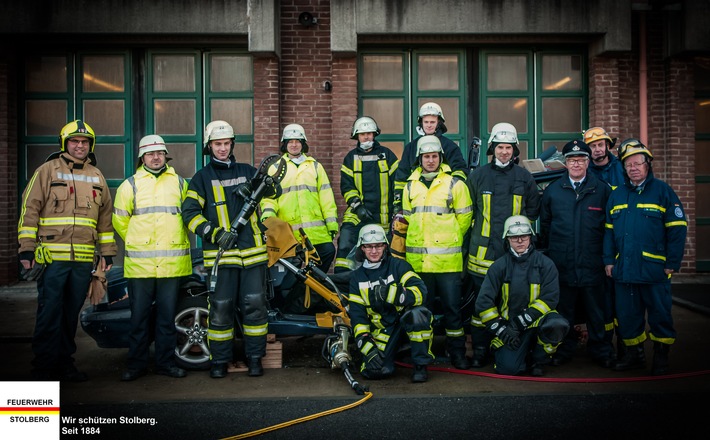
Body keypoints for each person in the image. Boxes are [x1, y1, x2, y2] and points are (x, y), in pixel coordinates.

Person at [18, 119, 117, 381]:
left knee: (69, 315)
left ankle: (64, 365)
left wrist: (107, 252)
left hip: (83, 261)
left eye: (84, 142)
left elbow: (105, 219)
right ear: (65, 144)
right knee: (50, 312)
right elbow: (30, 210)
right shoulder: (47, 171)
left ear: (90, 145)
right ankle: (44, 367)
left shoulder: (97, 176)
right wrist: (26, 249)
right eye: (75, 141)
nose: (80, 146)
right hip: (52, 260)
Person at [182, 120, 273, 379]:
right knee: (221, 308)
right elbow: (189, 213)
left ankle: (255, 359)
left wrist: (264, 218)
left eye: (226, 143)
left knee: (255, 307)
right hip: (221, 258)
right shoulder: (201, 178)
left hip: (253, 255)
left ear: (232, 144)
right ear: (209, 147)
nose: (222, 148)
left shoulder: (248, 171)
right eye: (217, 144)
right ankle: (220, 361)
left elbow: (267, 201)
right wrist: (214, 233)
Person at [603, 139, 687, 375]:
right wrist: (608, 260)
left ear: (647, 164)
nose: (633, 168)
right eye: (628, 164)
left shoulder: (663, 192)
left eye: (638, 163)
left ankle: (661, 358)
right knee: (628, 317)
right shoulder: (616, 195)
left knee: (660, 316)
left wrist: (672, 263)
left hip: (655, 270)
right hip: (625, 270)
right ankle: (634, 357)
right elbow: (608, 232)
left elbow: (678, 228)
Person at [113, 135, 191, 381]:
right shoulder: (131, 185)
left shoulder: (179, 183)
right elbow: (120, 221)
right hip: (140, 266)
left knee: (167, 319)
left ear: (165, 156)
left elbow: (188, 218)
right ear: (142, 158)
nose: (156, 157)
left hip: (172, 265)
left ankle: (165, 364)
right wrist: (139, 241)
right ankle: (136, 366)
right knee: (139, 319)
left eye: (159, 153)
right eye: (150, 154)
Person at [464, 122, 541, 368]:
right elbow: (469, 215)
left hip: (514, 257)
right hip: (482, 256)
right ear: (492, 149)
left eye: (508, 147)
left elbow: (533, 213)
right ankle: (479, 351)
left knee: (511, 305)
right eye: (500, 147)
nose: (504, 152)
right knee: (481, 308)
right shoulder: (477, 177)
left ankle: (508, 348)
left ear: (514, 150)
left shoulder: (524, 178)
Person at [538, 139, 615, 368]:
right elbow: (546, 227)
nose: (576, 164)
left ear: (588, 162)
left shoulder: (602, 190)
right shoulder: (553, 191)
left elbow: (609, 228)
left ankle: (601, 350)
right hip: (563, 264)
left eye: (581, 159)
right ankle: (564, 350)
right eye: (572, 160)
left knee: (597, 313)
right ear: (566, 163)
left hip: (593, 264)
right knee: (565, 312)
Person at [402, 135, 473, 370]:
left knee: (453, 312)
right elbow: (407, 220)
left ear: (440, 158)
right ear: (419, 159)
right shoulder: (410, 186)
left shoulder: (455, 184)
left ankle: (458, 355)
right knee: (423, 313)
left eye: (434, 156)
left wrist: (450, 238)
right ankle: (423, 359)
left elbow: (465, 219)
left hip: (447, 263)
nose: (430, 160)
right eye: (426, 157)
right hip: (419, 264)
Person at [475, 215, 569, 376]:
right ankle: (519, 355)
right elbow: (483, 303)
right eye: (514, 237)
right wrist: (501, 330)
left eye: (524, 236)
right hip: (510, 329)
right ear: (507, 239)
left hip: (537, 323)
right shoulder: (499, 267)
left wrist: (519, 323)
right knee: (508, 369)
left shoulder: (545, 264)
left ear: (530, 237)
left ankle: (539, 359)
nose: (520, 241)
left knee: (557, 325)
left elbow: (550, 299)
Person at [347, 224, 435, 383]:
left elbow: (421, 292)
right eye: (369, 246)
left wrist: (393, 294)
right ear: (362, 248)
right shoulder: (357, 278)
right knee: (376, 371)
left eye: (378, 246)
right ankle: (395, 355)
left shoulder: (398, 265)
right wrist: (367, 347)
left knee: (418, 314)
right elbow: (357, 317)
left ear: (385, 246)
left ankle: (420, 365)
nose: (374, 251)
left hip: (404, 321)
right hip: (383, 331)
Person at [261, 123, 339, 273]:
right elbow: (269, 198)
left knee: (328, 252)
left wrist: (332, 225)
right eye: (290, 141)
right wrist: (269, 217)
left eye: (297, 141)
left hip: (316, 233)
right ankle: (300, 293)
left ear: (303, 144)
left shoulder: (315, 167)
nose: (294, 145)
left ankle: (312, 291)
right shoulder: (275, 167)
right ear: (285, 144)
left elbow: (326, 197)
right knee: (291, 274)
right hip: (288, 234)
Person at [582, 126, 626, 361]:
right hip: (596, 244)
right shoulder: (585, 171)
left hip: (622, 242)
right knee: (603, 301)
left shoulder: (622, 169)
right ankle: (603, 347)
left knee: (624, 300)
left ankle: (627, 347)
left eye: (600, 144)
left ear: (608, 146)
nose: (597, 149)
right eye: (592, 146)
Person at [334, 116, 399, 273]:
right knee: (344, 244)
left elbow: (398, 183)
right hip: (358, 213)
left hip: (384, 215)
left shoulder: (387, 155)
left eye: (369, 133)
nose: (366, 137)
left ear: (375, 134)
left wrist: (397, 207)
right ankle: (342, 285)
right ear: (357, 136)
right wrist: (358, 206)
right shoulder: (350, 158)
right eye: (363, 134)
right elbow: (347, 186)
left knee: (387, 252)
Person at [393, 102, 467, 215]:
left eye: (432, 122)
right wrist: (399, 203)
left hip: (442, 203)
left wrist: (452, 191)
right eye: (426, 122)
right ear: (421, 123)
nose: (429, 125)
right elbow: (402, 176)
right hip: (416, 201)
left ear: (439, 123)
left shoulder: (450, 147)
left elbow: (460, 171)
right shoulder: (411, 147)